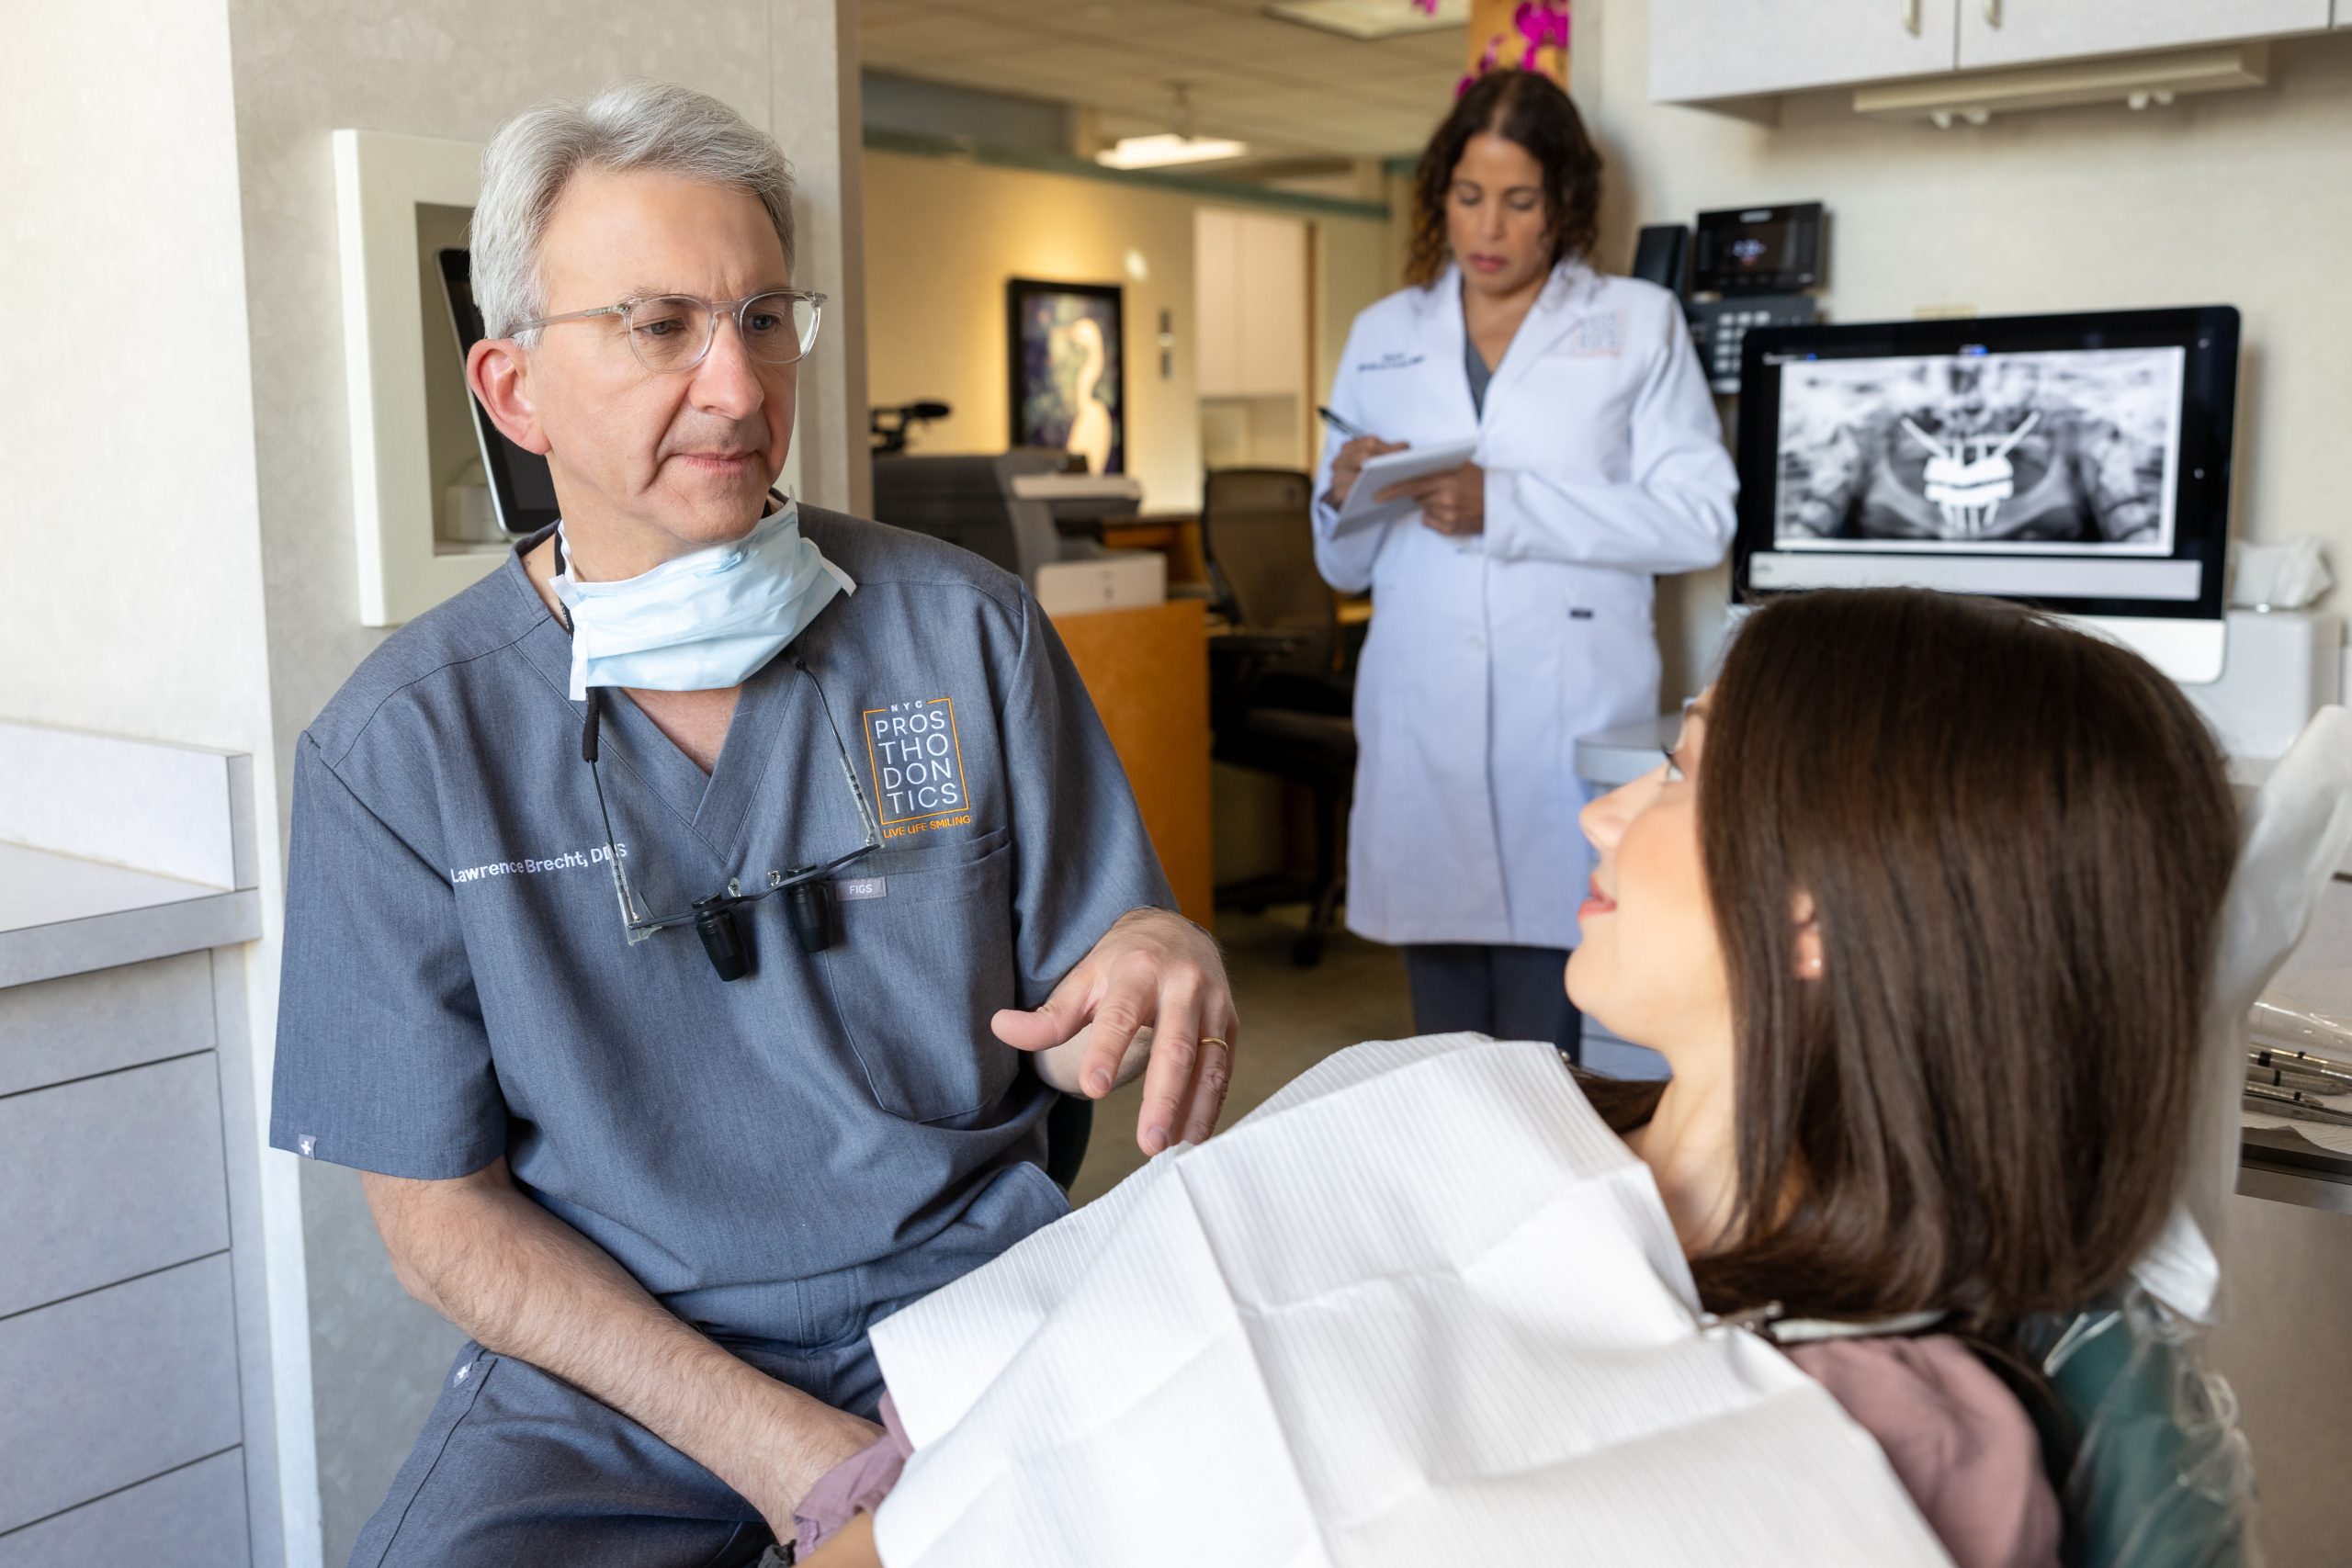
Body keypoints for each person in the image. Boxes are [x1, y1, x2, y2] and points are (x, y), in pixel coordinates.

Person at [268, 80, 1238, 1568]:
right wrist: (788, 1447)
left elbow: (1111, 941)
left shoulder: (963, 634)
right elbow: (440, 1222)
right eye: (660, 327)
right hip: (616, 1371)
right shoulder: (404, 748)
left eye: (766, 320)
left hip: (975, 1305)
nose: (737, 388)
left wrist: (1160, 943)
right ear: (513, 388)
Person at [797, 586, 2239, 1567]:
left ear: (1818, 905)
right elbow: (1036, 1383)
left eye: (1683, 773)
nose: (1613, 810)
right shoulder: (1449, 1101)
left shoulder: (1887, 1438)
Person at [1313, 69, 1736, 1061]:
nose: (1488, 227)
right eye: (1468, 197)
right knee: (1446, 1047)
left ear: (1563, 206)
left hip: (1568, 709)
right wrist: (1342, 493)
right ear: (1440, 197)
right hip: (1424, 703)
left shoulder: (1635, 322)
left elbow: (1698, 519)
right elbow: (1341, 568)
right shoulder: (1384, 333)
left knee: (1561, 1033)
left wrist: (1505, 503)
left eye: (1518, 199)